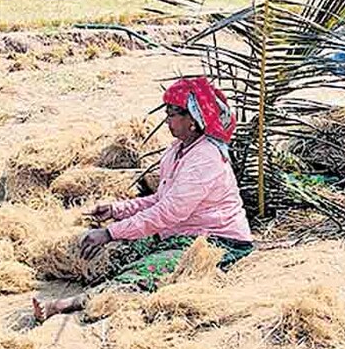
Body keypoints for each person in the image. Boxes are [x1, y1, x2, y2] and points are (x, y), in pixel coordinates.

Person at [33, 77, 254, 322]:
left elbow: (169, 212)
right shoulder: (177, 150)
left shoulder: (205, 158)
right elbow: (160, 199)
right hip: (178, 231)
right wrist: (117, 210)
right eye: (166, 112)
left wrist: (110, 232)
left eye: (172, 113)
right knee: (120, 252)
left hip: (216, 241)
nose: (167, 119)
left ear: (192, 119)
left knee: (148, 270)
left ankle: (72, 303)